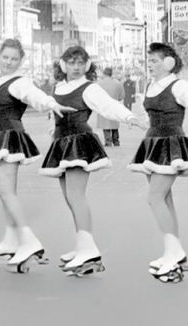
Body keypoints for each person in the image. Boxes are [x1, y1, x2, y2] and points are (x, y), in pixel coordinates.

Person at [0, 38, 71, 272]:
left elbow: (34, 95)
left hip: (6, 137)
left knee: (6, 193)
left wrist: (50, 103)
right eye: (6, 57)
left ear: (20, 60)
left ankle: (29, 241)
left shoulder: (19, 81)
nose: (9, 62)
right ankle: (11, 239)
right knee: (6, 194)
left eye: (14, 59)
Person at [40, 46, 145, 276]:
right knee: (70, 198)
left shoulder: (89, 88)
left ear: (87, 65)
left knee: (76, 197)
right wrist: (54, 127)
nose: (76, 67)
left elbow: (107, 105)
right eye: (72, 62)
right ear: (63, 64)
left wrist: (129, 116)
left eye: (80, 62)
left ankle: (89, 251)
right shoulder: (59, 87)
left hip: (78, 143)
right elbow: (58, 114)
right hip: (61, 142)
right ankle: (82, 245)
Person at [131, 42, 188, 282]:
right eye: (150, 61)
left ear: (168, 62)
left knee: (154, 198)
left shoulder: (179, 85)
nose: (150, 65)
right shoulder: (151, 85)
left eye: (155, 61)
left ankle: (174, 252)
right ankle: (174, 252)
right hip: (152, 143)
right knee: (165, 198)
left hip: (171, 145)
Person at [95, 66, 124, 146]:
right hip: (114, 106)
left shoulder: (99, 84)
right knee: (114, 123)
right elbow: (122, 96)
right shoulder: (118, 84)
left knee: (105, 124)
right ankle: (116, 141)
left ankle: (108, 141)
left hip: (104, 107)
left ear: (104, 74)